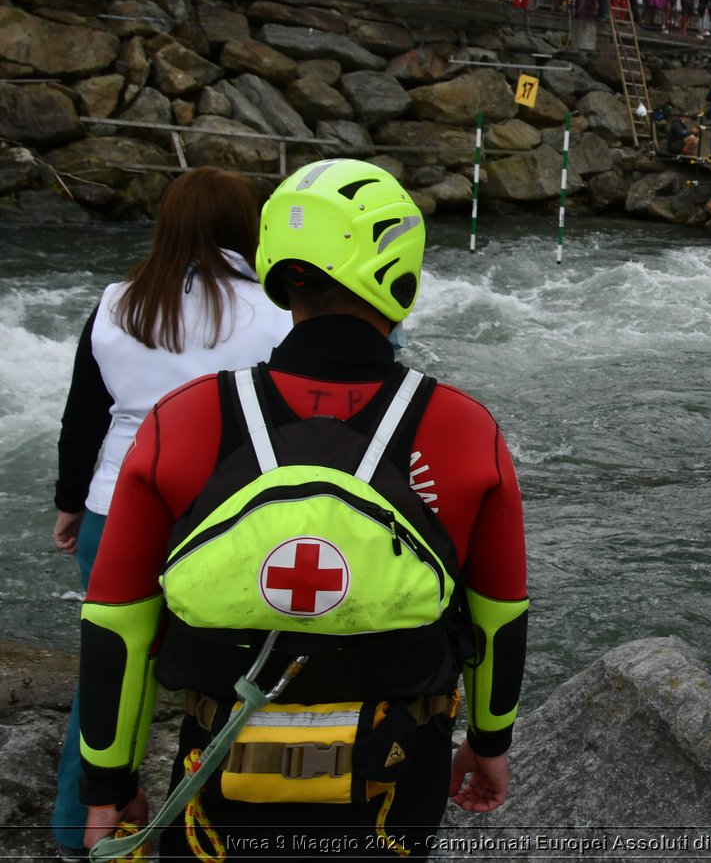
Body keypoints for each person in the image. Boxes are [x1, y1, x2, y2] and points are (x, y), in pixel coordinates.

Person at [77, 159, 529, 857]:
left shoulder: (183, 420)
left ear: (282, 273)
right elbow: (500, 613)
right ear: (401, 277)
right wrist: (490, 742)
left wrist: (106, 783)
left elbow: (117, 622)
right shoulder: (464, 427)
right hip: (395, 775)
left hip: (217, 775)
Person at [50, 167, 293, 858]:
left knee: (109, 670)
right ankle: (220, 822)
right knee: (230, 677)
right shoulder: (275, 313)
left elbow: (81, 420)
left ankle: (79, 823)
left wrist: (71, 507)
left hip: (116, 507)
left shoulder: (115, 303)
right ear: (247, 226)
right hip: (228, 515)